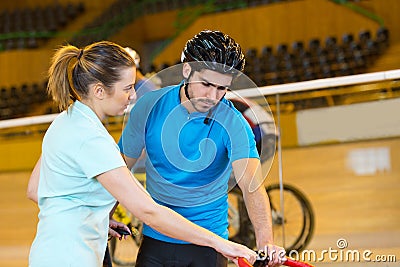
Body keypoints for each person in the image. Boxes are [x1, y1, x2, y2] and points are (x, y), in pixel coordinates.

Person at [26, 40, 257, 267]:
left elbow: (36, 189)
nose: (133, 96)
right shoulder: (92, 139)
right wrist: (222, 244)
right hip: (73, 256)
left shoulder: (65, 121)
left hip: (49, 251)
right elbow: (149, 211)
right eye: (127, 88)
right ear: (99, 90)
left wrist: (90, 217)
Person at [119, 30, 285, 267]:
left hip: (210, 244)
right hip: (156, 241)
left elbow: (252, 186)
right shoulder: (149, 106)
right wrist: (102, 217)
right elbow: (119, 169)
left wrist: (266, 243)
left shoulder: (233, 122)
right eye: (206, 84)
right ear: (187, 70)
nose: (212, 96)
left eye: (222, 89)